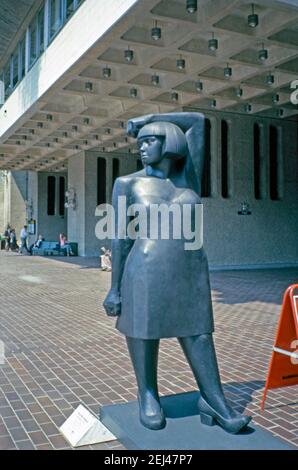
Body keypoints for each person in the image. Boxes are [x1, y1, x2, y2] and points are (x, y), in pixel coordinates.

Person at [103, 112, 251, 433]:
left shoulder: (187, 179)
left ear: (169, 142)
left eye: (149, 140)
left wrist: (148, 118)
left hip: (191, 270)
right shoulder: (127, 183)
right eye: (139, 143)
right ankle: (147, 394)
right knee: (144, 333)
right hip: (143, 269)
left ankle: (214, 399)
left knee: (199, 334)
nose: (141, 147)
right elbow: (119, 237)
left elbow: (198, 121)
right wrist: (114, 288)